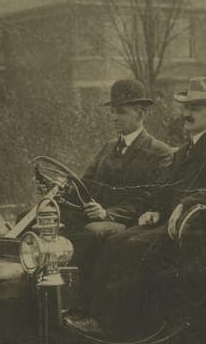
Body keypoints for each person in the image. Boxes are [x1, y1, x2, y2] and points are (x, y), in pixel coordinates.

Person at [66, 76, 206, 338]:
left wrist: (185, 204)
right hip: (169, 224)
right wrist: (155, 208)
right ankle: (90, 313)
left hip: (196, 230)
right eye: (186, 108)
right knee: (115, 241)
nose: (186, 114)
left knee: (132, 246)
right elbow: (165, 189)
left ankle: (111, 322)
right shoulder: (184, 151)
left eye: (194, 109)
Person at [63, 79, 173, 275]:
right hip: (95, 216)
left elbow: (148, 199)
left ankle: (75, 294)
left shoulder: (159, 152)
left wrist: (106, 213)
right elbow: (85, 183)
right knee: (39, 217)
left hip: (127, 222)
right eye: (113, 111)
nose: (114, 117)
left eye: (121, 112)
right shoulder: (108, 147)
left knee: (90, 233)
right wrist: (61, 190)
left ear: (140, 113)